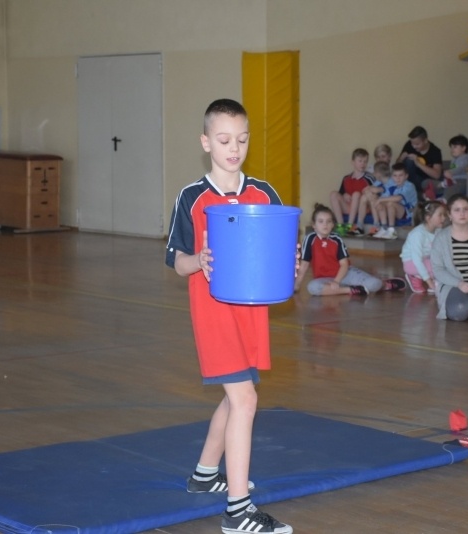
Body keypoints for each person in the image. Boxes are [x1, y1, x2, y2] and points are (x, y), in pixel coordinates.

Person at [165, 98, 293, 534]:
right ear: (206, 142)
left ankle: (205, 475)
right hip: (213, 313)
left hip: (251, 313)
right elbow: (177, 261)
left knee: (238, 392)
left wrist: (292, 263)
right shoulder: (192, 198)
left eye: (241, 139)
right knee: (245, 399)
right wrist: (199, 259)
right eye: (223, 140)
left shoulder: (264, 192)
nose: (233, 147)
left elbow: (282, 250)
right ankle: (238, 512)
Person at [296, 203, 406, 296]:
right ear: (314, 225)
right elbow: (304, 264)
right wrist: (297, 285)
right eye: (321, 221)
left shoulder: (336, 240)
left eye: (328, 221)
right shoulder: (309, 239)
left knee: (373, 284)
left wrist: (336, 281)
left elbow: (344, 265)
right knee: (312, 288)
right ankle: (352, 290)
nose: (325, 224)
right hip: (325, 278)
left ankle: (385, 284)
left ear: (332, 224)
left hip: (344, 274)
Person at [400, 200, 447, 293]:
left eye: (444, 215)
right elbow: (416, 259)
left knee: (445, 265)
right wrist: (430, 283)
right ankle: (415, 275)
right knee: (439, 268)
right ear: (428, 218)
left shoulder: (438, 231)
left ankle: (422, 277)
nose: (444, 218)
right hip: (411, 263)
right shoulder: (417, 234)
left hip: (425, 260)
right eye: (440, 215)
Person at [329, 148, 374, 236]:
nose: (363, 164)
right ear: (353, 162)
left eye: (365, 161)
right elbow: (340, 193)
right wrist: (344, 195)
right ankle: (340, 225)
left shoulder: (369, 178)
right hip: (349, 207)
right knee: (333, 194)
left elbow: (374, 195)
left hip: (363, 208)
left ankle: (350, 225)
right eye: (360, 161)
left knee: (356, 194)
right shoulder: (346, 178)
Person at [372, 162, 419, 240]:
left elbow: (398, 198)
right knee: (382, 203)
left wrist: (380, 199)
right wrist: (379, 201)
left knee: (390, 203)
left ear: (406, 176)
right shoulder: (392, 186)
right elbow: (384, 198)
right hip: (397, 211)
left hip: (409, 214)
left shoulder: (410, 186)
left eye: (401, 175)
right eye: (395, 176)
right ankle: (384, 228)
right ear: (392, 177)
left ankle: (392, 230)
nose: (398, 178)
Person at [396, 126, 443, 197]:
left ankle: (418, 194)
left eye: (417, 144)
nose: (414, 146)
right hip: (410, 180)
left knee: (426, 183)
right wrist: (401, 159)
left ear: (425, 141)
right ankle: (414, 193)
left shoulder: (435, 151)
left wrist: (418, 163)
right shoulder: (409, 145)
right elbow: (397, 166)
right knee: (409, 161)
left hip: (426, 181)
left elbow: (437, 175)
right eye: (412, 143)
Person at [356, 160, 387, 233]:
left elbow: (378, 190)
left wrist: (372, 190)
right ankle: (359, 225)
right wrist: (368, 191)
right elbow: (365, 190)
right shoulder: (378, 181)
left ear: (378, 174)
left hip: (385, 202)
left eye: (374, 172)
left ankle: (377, 225)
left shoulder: (389, 181)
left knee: (372, 196)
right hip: (377, 202)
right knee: (364, 197)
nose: (373, 174)